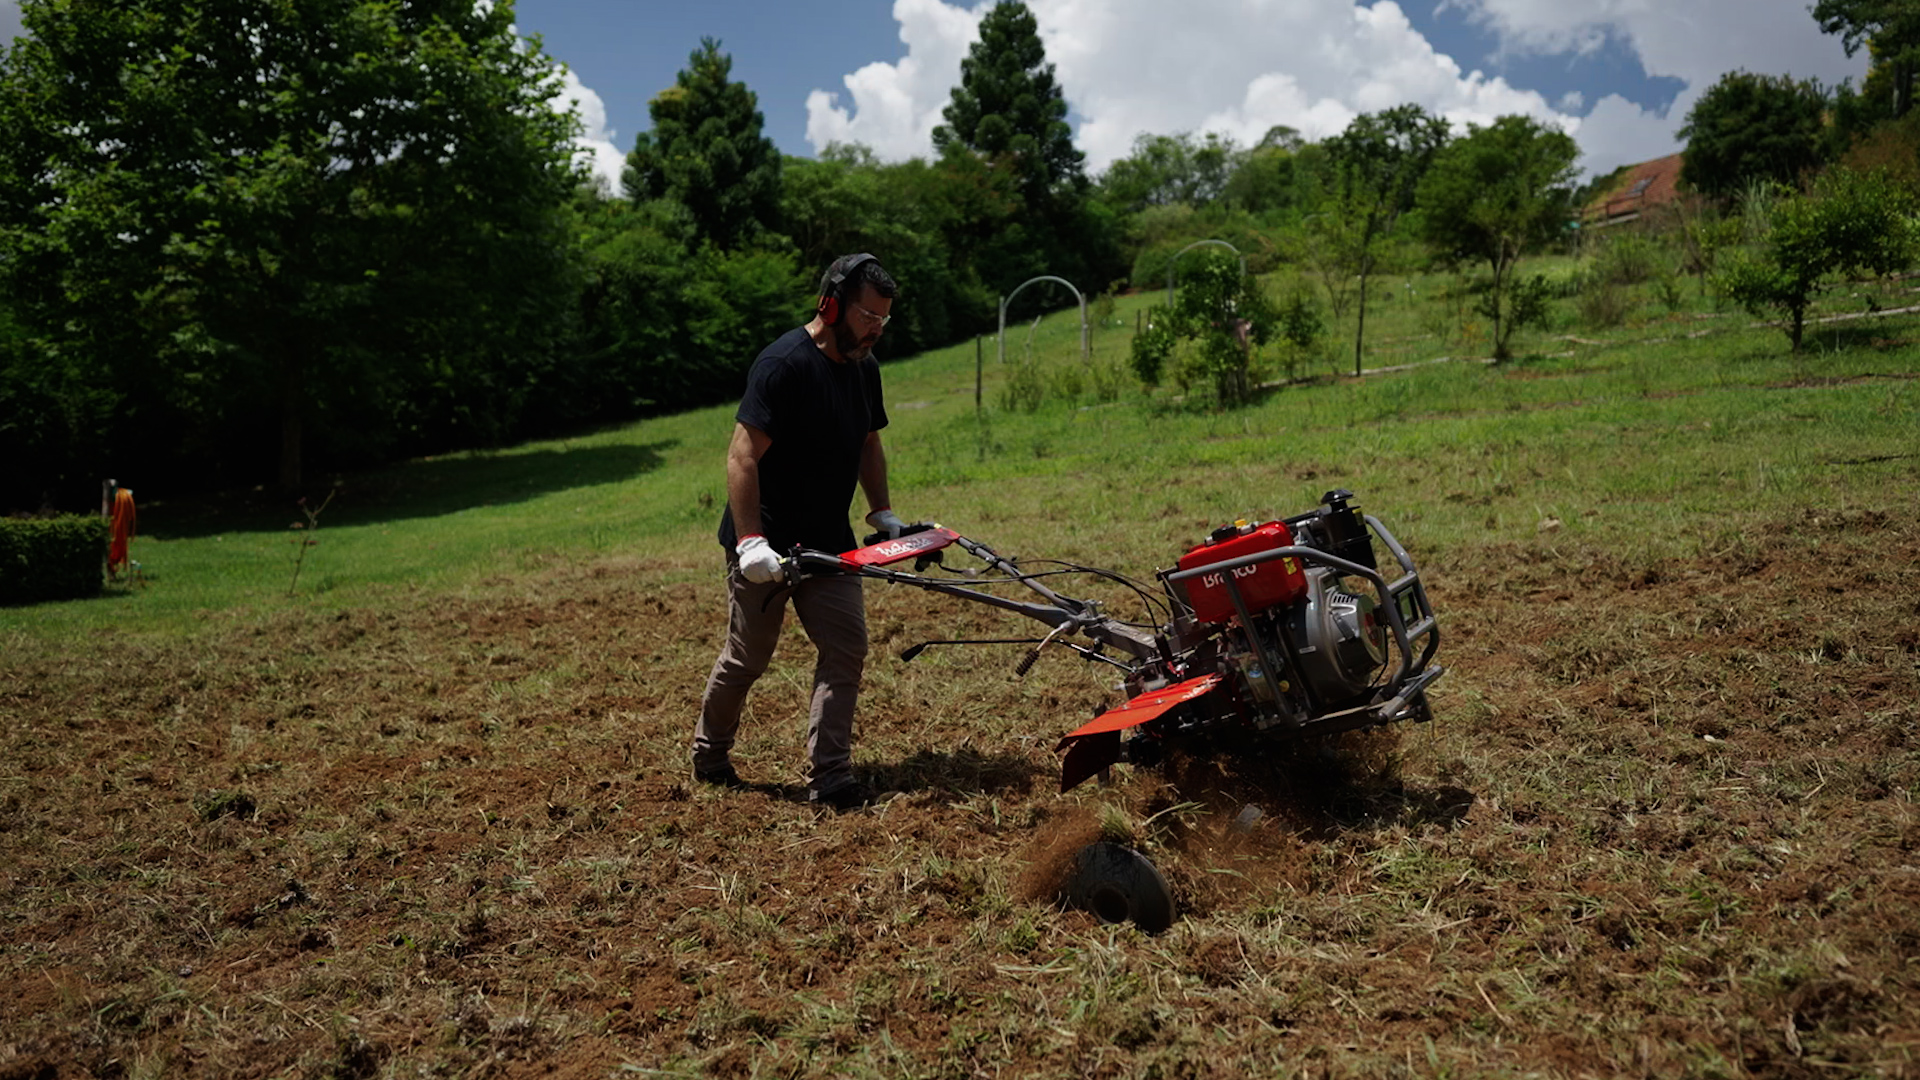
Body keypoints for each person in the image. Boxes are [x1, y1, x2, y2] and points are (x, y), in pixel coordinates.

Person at [692, 253, 909, 812]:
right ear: (831, 305)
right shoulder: (783, 365)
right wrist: (748, 543)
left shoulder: (865, 367)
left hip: (828, 540)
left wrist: (881, 511)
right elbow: (742, 457)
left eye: (884, 320)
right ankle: (710, 753)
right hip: (766, 541)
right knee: (748, 659)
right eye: (867, 317)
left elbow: (868, 441)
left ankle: (831, 775)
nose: (875, 331)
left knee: (846, 648)